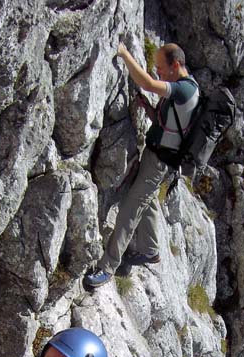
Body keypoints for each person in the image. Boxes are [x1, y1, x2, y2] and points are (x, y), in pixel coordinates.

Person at [84, 42, 199, 288]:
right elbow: (170, 123)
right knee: (146, 198)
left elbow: (148, 84)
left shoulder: (183, 90)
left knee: (130, 208)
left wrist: (124, 54)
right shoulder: (189, 88)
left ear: (175, 65)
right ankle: (150, 250)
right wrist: (147, 108)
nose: (157, 71)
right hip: (158, 157)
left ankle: (107, 268)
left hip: (159, 161)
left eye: (160, 67)